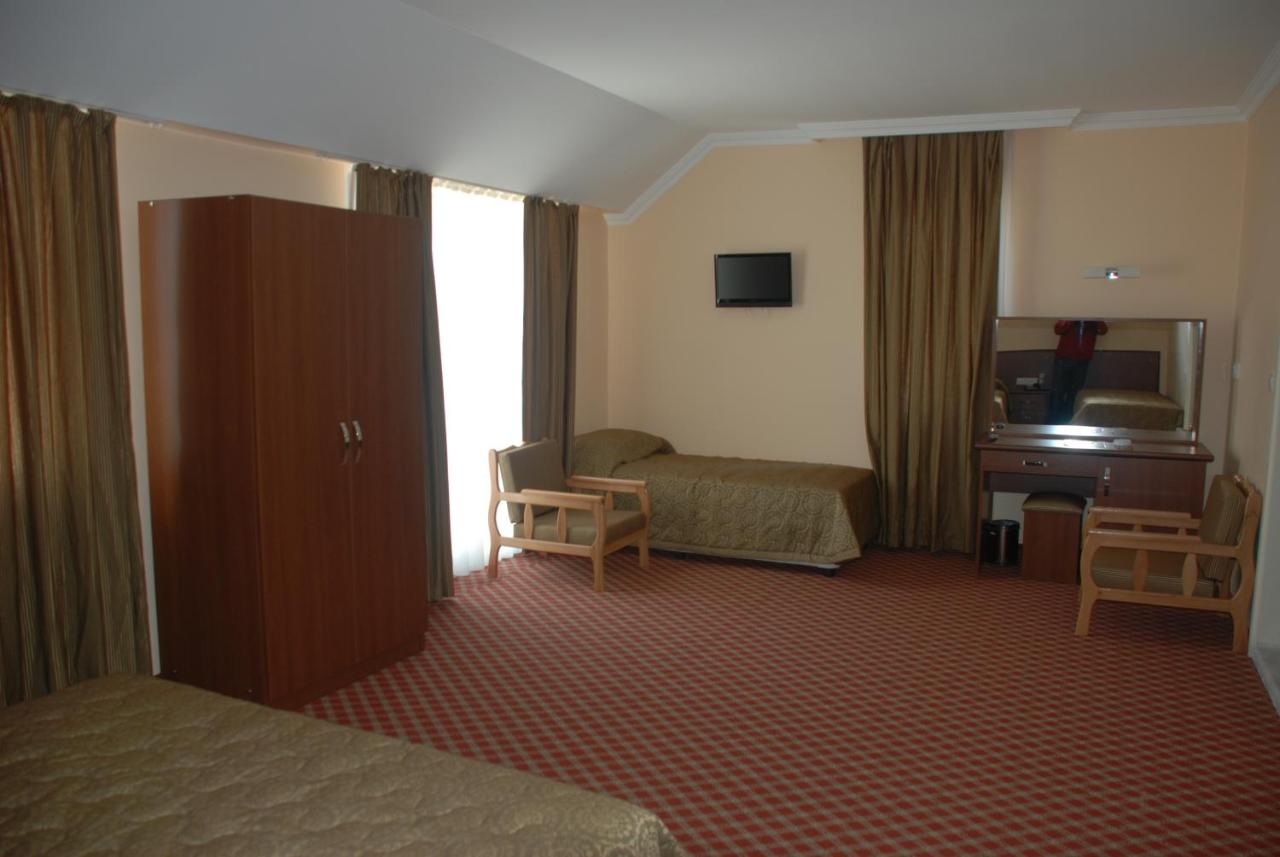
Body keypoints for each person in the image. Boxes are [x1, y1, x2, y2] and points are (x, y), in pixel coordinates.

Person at [1049, 319, 1108, 423]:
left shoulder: (1093, 319)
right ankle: (1053, 423)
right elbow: (1058, 330)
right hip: (1063, 359)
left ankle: (1069, 422)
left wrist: (1095, 318)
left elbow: (1103, 330)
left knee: (1075, 395)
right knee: (1057, 393)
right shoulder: (1069, 316)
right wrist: (1072, 319)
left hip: (1082, 361)